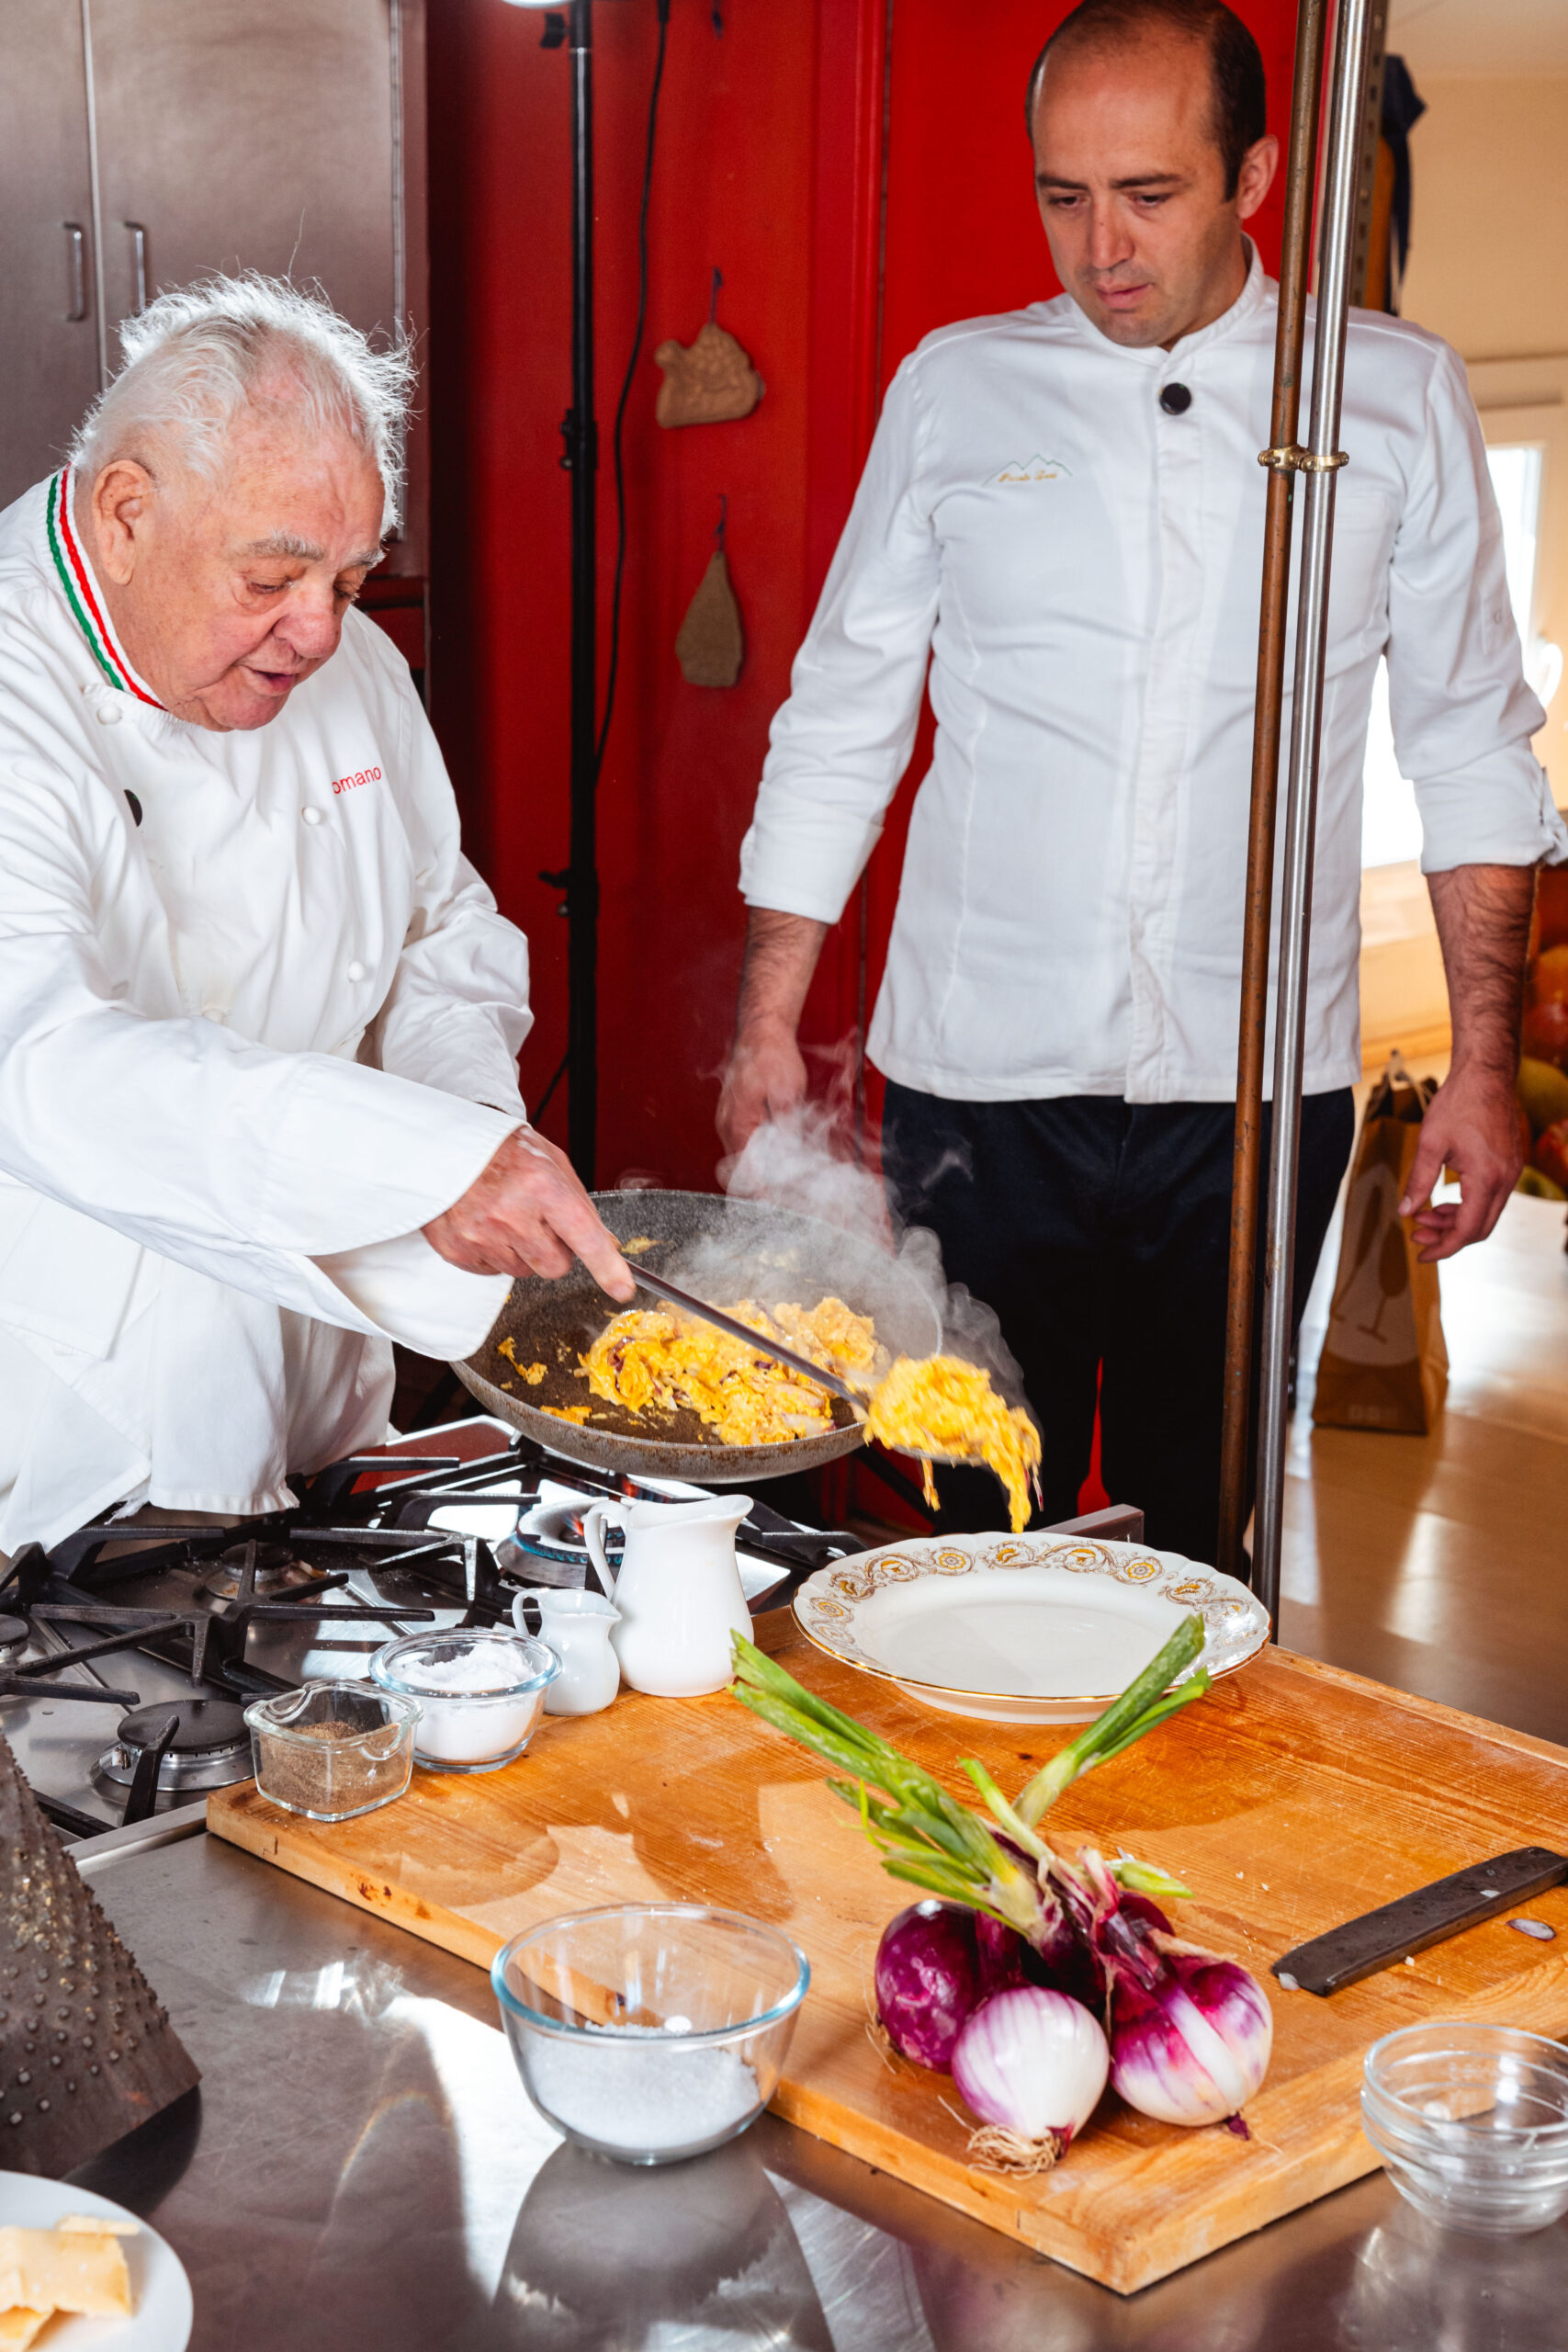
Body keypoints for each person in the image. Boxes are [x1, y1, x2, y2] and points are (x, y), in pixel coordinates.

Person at [719, 0, 1567, 1565]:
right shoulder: (956, 388)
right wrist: (770, 1018)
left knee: (1200, 1528)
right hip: (980, 1074)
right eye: (1064, 196)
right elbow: (843, 712)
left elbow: (1466, 742)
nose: (1100, 248)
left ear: (1253, 175)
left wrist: (1480, 1061)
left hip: (1254, 1089)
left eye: (1148, 195)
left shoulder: (1390, 396)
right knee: (966, 1519)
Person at [0, 276, 632, 1555]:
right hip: (78, 1399)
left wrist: (471, 1132)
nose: (321, 630)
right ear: (125, 514)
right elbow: (45, 1064)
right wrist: (421, 1166)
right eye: (272, 577)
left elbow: (435, 935)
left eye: (350, 577)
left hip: (324, 1343)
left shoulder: (347, 656)